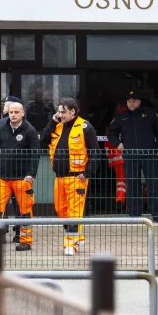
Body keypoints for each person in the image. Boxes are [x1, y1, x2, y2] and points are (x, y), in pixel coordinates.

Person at [40, 98, 99, 256]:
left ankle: (70, 244)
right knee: (61, 210)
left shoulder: (85, 127)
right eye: (59, 111)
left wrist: (87, 173)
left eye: (63, 112)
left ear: (73, 112)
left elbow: (95, 152)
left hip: (77, 178)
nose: (60, 114)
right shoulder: (57, 126)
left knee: (74, 211)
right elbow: (42, 141)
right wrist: (52, 123)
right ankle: (76, 236)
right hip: (59, 178)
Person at [0, 102, 39, 252]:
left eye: (17, 112)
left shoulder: (30, 131)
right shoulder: (1, 129)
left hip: (23, 179)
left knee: (25, 211)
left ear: (23, 113)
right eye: (11, 112)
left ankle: (25, 241)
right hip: (2, 178)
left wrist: (31, 174)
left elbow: (35, 156)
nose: (13, 115)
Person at [107, 91, 158, 222]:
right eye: (129, 101)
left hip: (149, 155)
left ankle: (156, 215)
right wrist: (118, 144)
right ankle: (134, 214)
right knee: (132, 184)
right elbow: (111, 133)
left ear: (139, 102)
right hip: (130, 155)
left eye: (134, 101)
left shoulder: (149, 114)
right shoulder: (121, 116)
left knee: (153, 184)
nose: (131, 104)